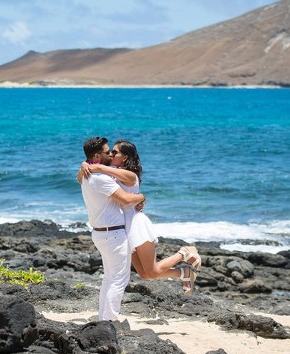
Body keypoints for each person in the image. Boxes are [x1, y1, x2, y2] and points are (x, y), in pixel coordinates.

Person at [79, 139, 201, 295]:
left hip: (136, 223)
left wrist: (96, 166)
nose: (111, 154)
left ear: (124, 157)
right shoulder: (110, 172)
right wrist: (85, 165)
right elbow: (82, 177)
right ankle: (184, 273)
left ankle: (184, 252)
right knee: (145, 274)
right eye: (110, 151)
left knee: (153, 270)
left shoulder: (130, 175)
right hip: (124, 227)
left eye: (115, 152)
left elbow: (123, 189)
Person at [80, 136, 147, 321]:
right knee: (118, 279)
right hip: (113, 234)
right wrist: (141, 196)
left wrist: (85, 164)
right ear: (96, 155)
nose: (110, 154)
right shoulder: (101, 178)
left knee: (110, 278)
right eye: (107, 151)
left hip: (102, 233)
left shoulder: (89, 176)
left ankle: (104, 319)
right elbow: (125, 199)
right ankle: (110, 321)